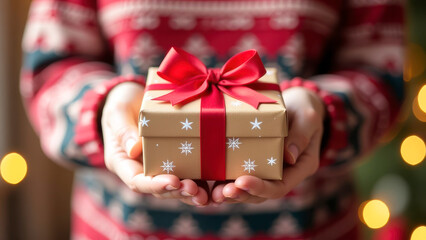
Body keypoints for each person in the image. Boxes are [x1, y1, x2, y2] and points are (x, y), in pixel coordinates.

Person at [21, 0, 404, 239]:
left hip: (313, 226)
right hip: (119, 228)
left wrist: (322, 113)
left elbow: (381, 76)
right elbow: (48, 71)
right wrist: (105, 109)